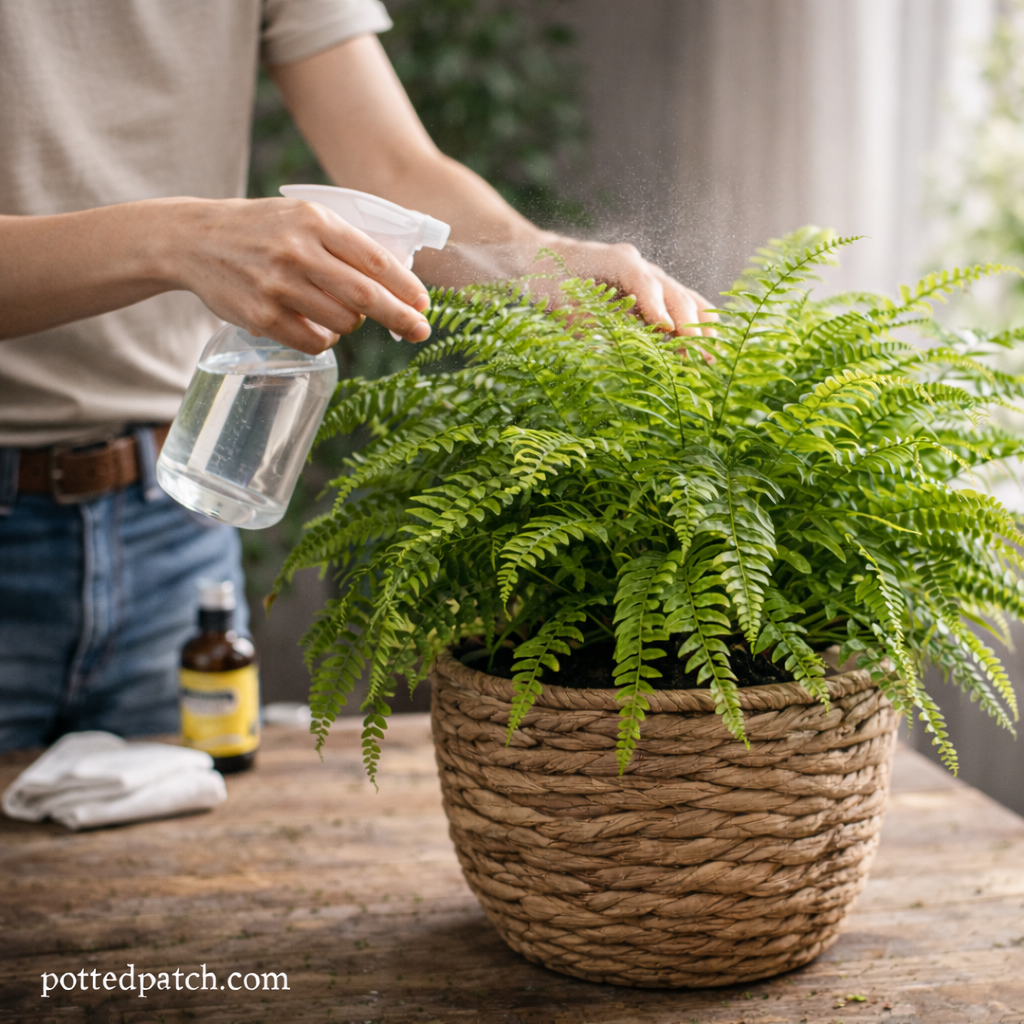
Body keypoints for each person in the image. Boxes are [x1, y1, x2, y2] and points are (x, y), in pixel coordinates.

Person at [0, 0, 713, 753]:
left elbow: (394, 167)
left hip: (171, 523)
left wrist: (539, 261)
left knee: (157, 850)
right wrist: (176, 239)